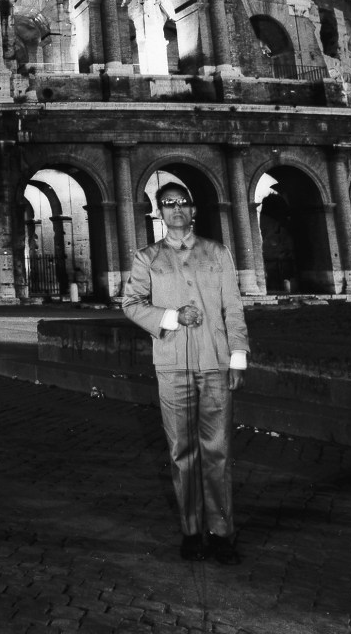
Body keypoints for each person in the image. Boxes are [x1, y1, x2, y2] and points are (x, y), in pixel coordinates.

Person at [122, 182, 250, 564]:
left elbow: (234, 308)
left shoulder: (218, 252)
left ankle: (222, 531)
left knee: (219, 452)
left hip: (214, 362)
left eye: (183, 203)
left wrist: (238, 357)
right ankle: (192, 531)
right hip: (173, 363)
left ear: (193, 210)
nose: (176, 209)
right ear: (159, 212)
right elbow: (131, 302)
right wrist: (171, 318)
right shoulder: (147, 257)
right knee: (183, 452)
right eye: (168, 204)